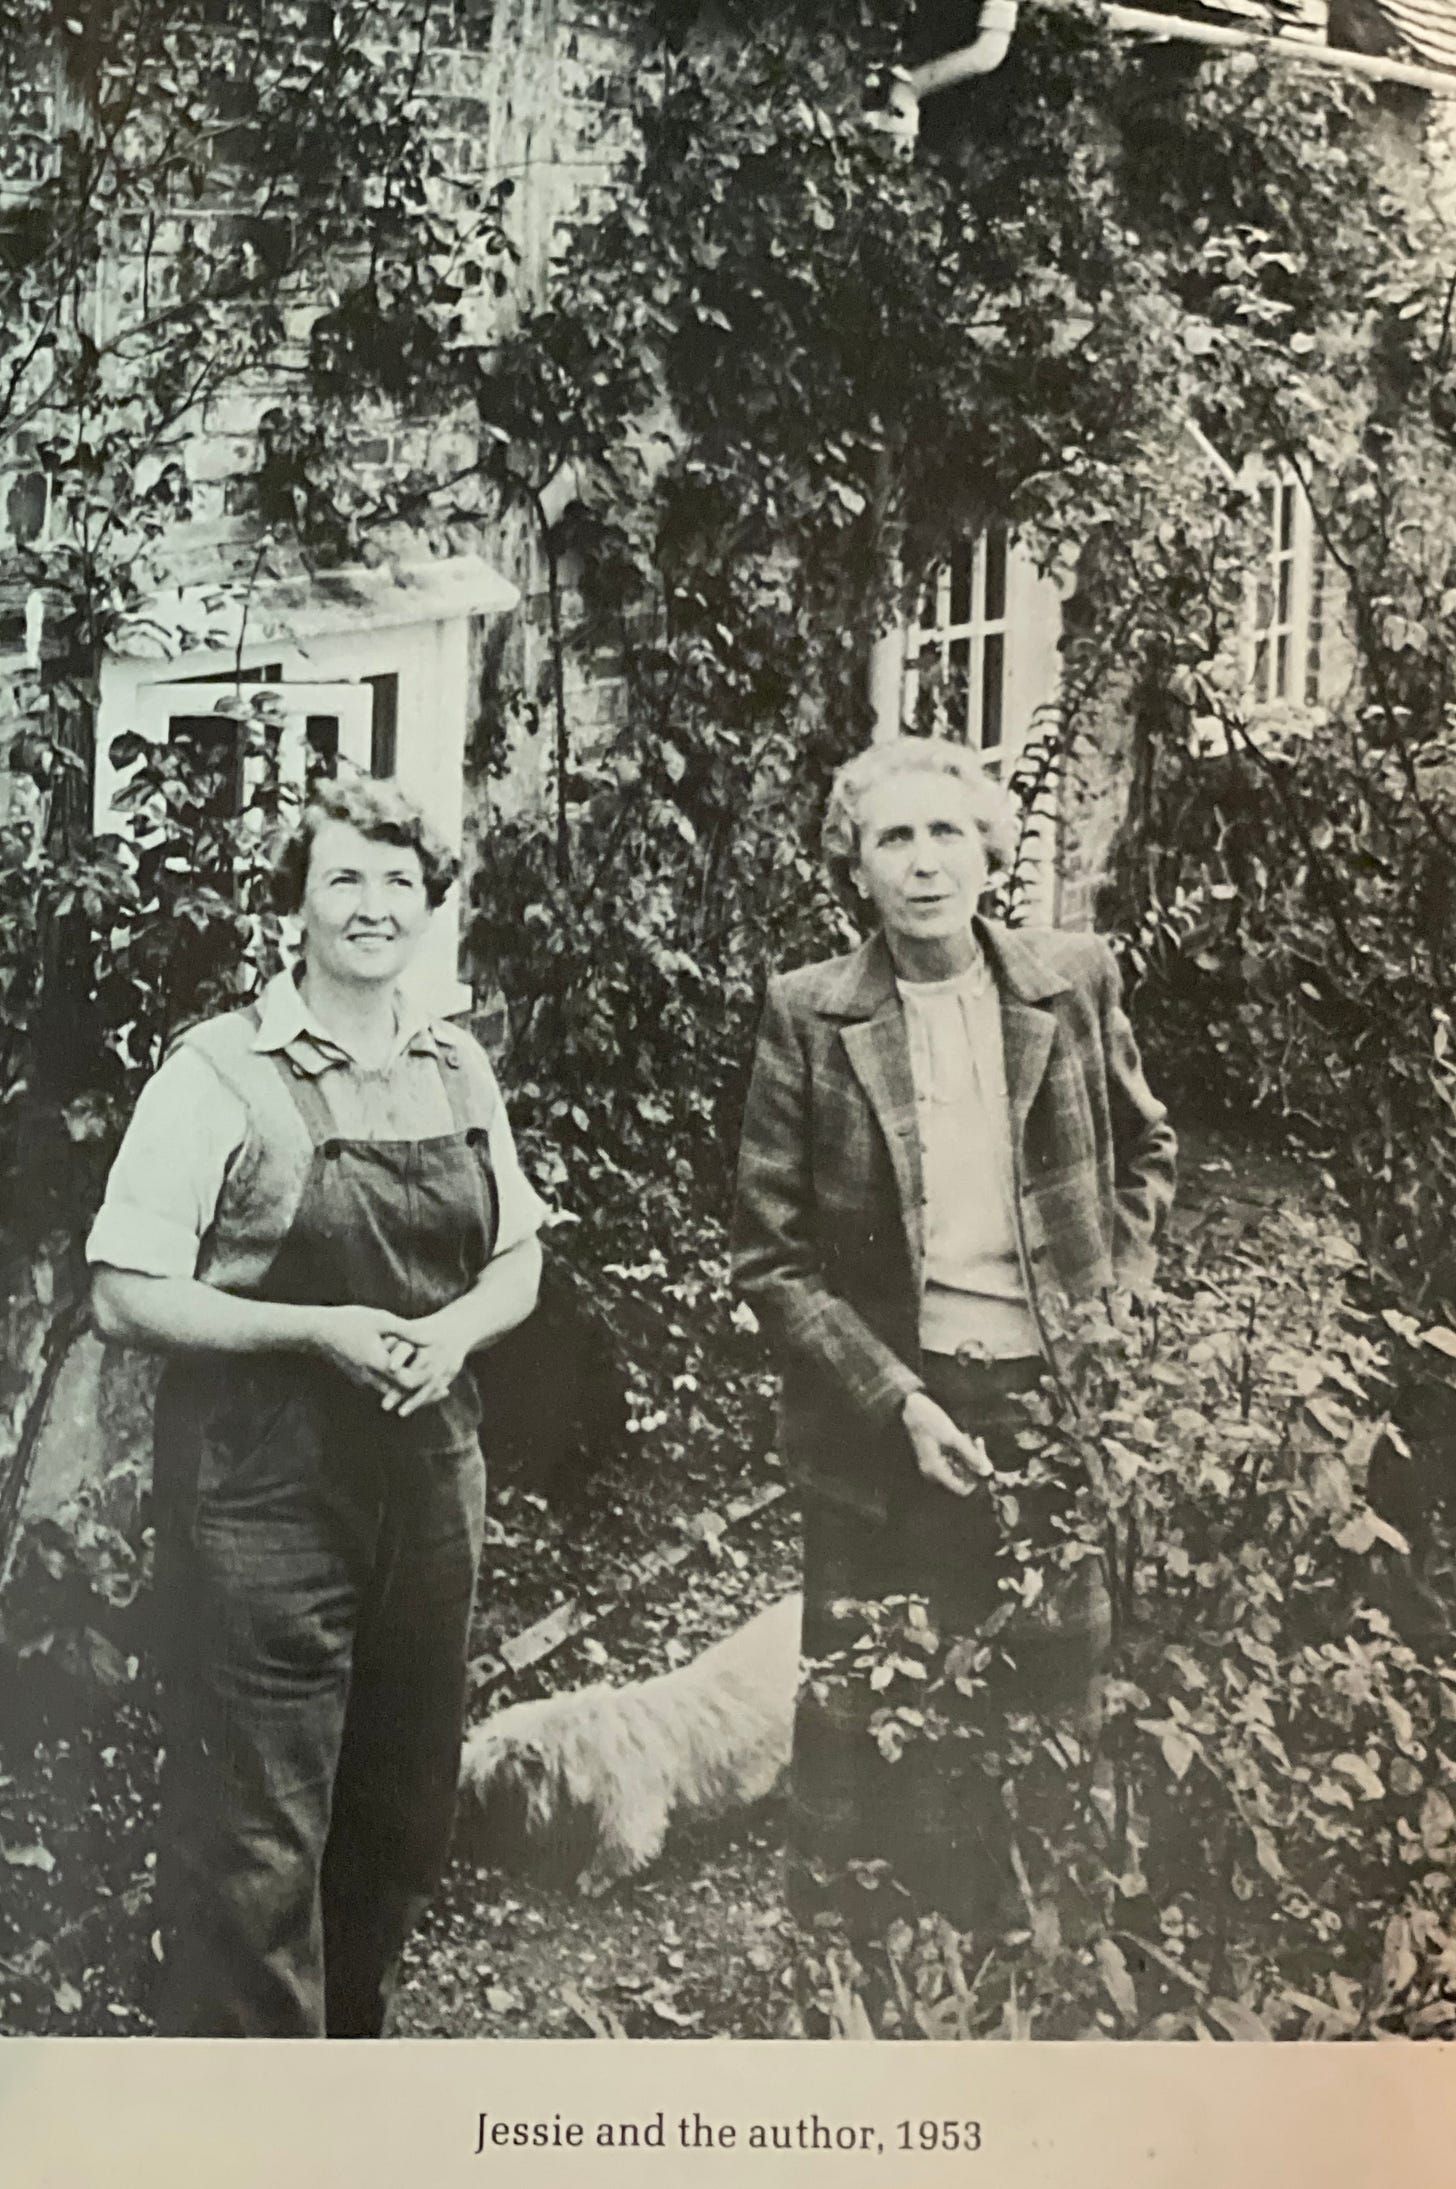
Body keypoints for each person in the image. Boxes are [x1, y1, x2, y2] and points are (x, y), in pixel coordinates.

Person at [88, 775, 546, 2037]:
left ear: (432, 907)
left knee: (401, 1811)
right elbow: (126, 1294)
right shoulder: (218, 1072)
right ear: (293, 903)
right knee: (258, 1840)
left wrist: (454, 1331)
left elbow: (519, 1256)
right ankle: (252, 2126)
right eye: (344, 876)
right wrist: (317, 1332)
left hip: (429, 1480)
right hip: (263, 1494)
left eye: (402, 880)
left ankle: (339, 2085)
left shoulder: (456, 1062)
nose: (374, 902)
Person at [730, 736, 1176, 1930]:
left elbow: (1145, 1152)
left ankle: (1038, 1952)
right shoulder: (807, 1015)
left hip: (1051, 1399)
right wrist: (899, 1401)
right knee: (871, 1704)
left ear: (989, 847)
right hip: (888, 1415)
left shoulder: (1069, 980)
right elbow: (770, 1255)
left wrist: (1108, 1309)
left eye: (944, 833)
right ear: (855, 868)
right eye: (892, 839)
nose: (922, 864)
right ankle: (857, 1970)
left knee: (1050, 1691)